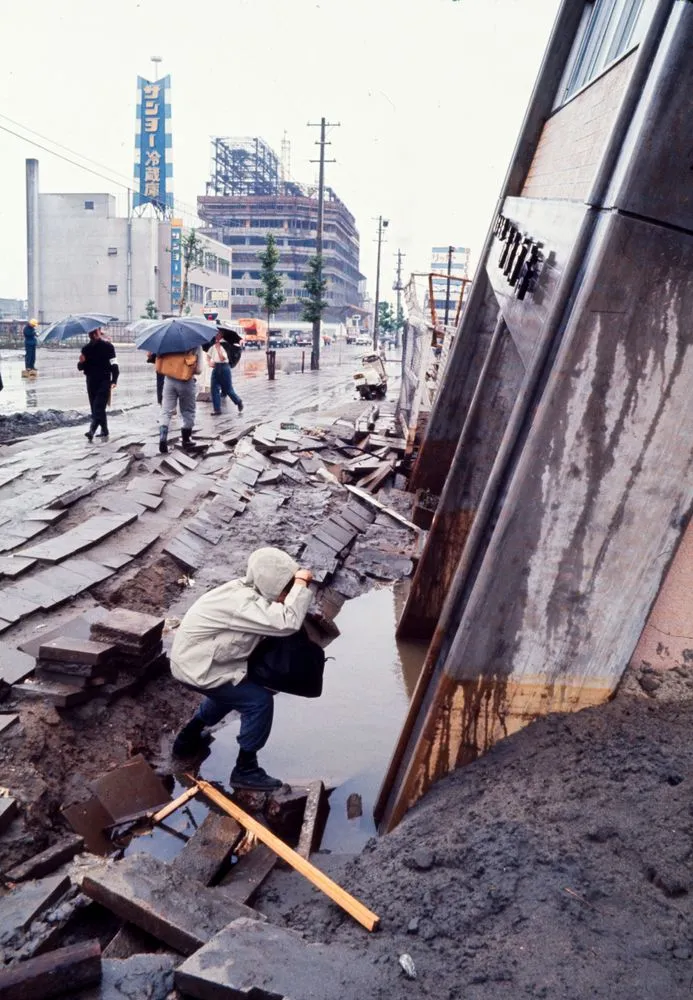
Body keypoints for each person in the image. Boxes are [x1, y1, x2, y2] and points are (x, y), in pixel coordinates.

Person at [170, 547, 314, 790]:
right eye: (284, 588)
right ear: (271, 582)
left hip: (200, 662)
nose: (285, 594)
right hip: (198, 667)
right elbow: (286, 623)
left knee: (231, 692)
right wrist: (300, 583)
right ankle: (246, 769)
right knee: (259, 702)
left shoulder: (245, 590)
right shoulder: (241, 602)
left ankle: (186, 740)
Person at [156, 345, 204, 453]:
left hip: (169, 380)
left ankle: (163, 438)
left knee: (166, 410)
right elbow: (199, 370)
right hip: (186, 381)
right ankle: (186, 440)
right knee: (188, 411)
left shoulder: (168, 341)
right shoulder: (196, 344)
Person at [77, 327, 119, 442]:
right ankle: (105, 430)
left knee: (98, 407)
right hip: (91, 381)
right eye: (91, 333)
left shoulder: (108, 347)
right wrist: (81, 362)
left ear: (99, 332)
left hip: (104, 381)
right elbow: (81, 368)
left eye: (95, 332)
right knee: (96, 409)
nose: (93, 335)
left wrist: (114, 380)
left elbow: (114, 364)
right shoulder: (86, 349)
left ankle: (91, 431)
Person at [207, 330, 243, 416]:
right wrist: (209, 362)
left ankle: (238, 401)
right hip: (216, 368)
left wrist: (219, 349)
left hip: (224, 367)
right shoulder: (213, 345)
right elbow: (208, 355)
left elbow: (223, 358)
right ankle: (217, 410)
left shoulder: (226, 345)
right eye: (215, 333)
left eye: (218, 334)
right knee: (214, 389)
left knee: (228, 389)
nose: (216, 335)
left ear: (222, 335)